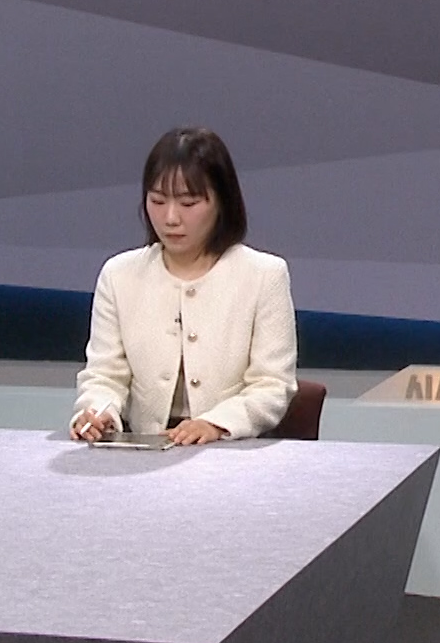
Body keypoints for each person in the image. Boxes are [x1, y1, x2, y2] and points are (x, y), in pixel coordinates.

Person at [71, 127, 297, 445]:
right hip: (142, 450)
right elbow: (105, 375)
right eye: (157, 201)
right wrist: (98, 412)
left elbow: (272, 385)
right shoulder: (119, 275)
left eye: (188, 203)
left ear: (222, 202)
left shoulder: (264, 275)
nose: (170, 218)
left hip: (230, 451)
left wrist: (215, 424)